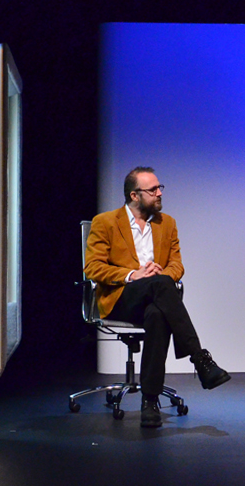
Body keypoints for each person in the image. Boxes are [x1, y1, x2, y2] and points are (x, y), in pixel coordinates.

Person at [84, 166, 230, 428]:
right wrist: (133, 274)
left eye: (160, 188)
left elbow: (177, 265)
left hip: (155, 297)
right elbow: (92, 267)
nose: (159, 193)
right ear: (134, 195)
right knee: (161, 286)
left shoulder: (167, 223)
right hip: (121, 298)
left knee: (158, 313)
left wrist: (159, 275)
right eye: (153, 190)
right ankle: (200, 359)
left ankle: (150, 402)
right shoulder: (105, 222)